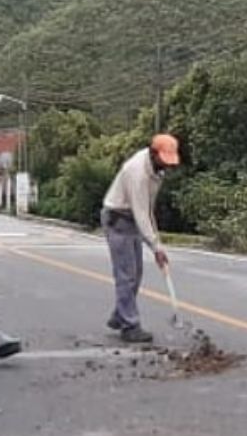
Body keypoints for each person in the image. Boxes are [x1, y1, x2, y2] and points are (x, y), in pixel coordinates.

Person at [101, 134, 180, 343]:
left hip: (132, 219)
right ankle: (130, 326)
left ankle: (120, 315)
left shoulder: (156, 171)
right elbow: (141, 212)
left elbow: (148, 211)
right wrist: (155, 247)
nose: (167, 166)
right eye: (164, 160)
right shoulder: (137, 171)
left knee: (136, 274)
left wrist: (158, 245)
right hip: (118, 219)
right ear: (153, 153)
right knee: (126, 275)